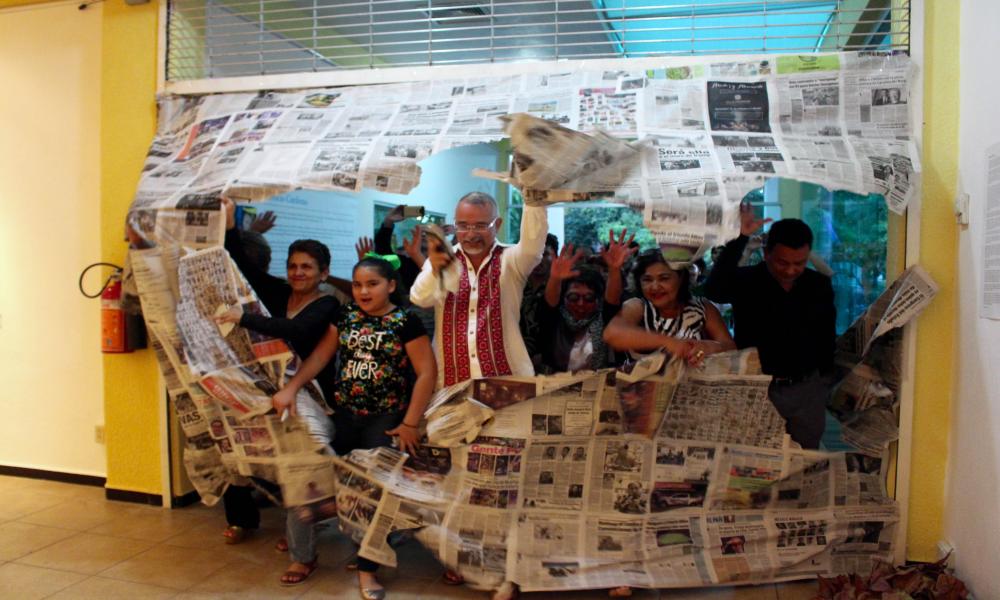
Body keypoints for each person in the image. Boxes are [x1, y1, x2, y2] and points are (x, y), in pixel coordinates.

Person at [273, 255, 436, 599]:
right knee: (310, 478)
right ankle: (304, 557)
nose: (363, 291)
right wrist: (291, 388)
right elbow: (320, 357)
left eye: (372, 284)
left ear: (391, 286)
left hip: (385, 421)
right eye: (358, 284)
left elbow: (426, 372)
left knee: (370, 494)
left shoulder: (405, 321)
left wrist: (409, 423)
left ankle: (367, 572)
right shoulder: (344, 316)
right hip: (344, 416)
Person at [217, 198, 340, 551]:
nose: (298, 273)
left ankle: (329, 505)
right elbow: (244, 268)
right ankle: (296, 523)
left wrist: (243, 317)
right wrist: (230, 226)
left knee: (308, 445)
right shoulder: (281, 292)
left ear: (323, 273)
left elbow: (296, 330)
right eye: (293, 266)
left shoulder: (327, 302)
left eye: (307, 267)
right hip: (272, 387)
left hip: (312, 393)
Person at [703, 204, 836, 449]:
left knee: (805, 458)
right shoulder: (747, 280)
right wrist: (740, 238)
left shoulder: (817, 285)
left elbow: (826, 335)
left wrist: (824, 382)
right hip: (758, 385)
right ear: (766, 254)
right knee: (752, 454)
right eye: (782, 263)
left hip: (805, 389)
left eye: (800, 263)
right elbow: (713, 289)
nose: (791, 270)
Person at [410, 191, 548, 387]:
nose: (471, 234)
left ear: (497, 225)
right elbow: (419, 298)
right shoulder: (444, 259)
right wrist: (435, 270)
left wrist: (533, 193)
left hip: (507, 383)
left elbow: (533, 248)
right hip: (450, 383)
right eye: (463, 226)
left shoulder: (510, 260)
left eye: (481, 226)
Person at [603, 251, 736, 365]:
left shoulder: (703, 307)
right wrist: (669, 343)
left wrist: (708, 347)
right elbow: (613, 334)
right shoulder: (637, 306)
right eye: (647, 280)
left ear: (681, 278)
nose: (654, 287)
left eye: (664, 278)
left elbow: (730, 347)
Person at [536, 230, 635, 373]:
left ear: (598, 300)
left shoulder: (604, 317)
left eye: (589, 298)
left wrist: (614, 269)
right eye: (573, 298)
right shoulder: (555, 316)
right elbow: (550, 302)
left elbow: (612, 299)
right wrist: (555, 278)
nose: (581, 304)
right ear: (563, 297)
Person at [520, 233, 559, 371]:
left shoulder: (561, 287)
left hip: (551, 359)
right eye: (533, 254)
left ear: (555, 258)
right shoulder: (517, 285)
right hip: (516, 357)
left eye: (544, 254)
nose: (538, 259)